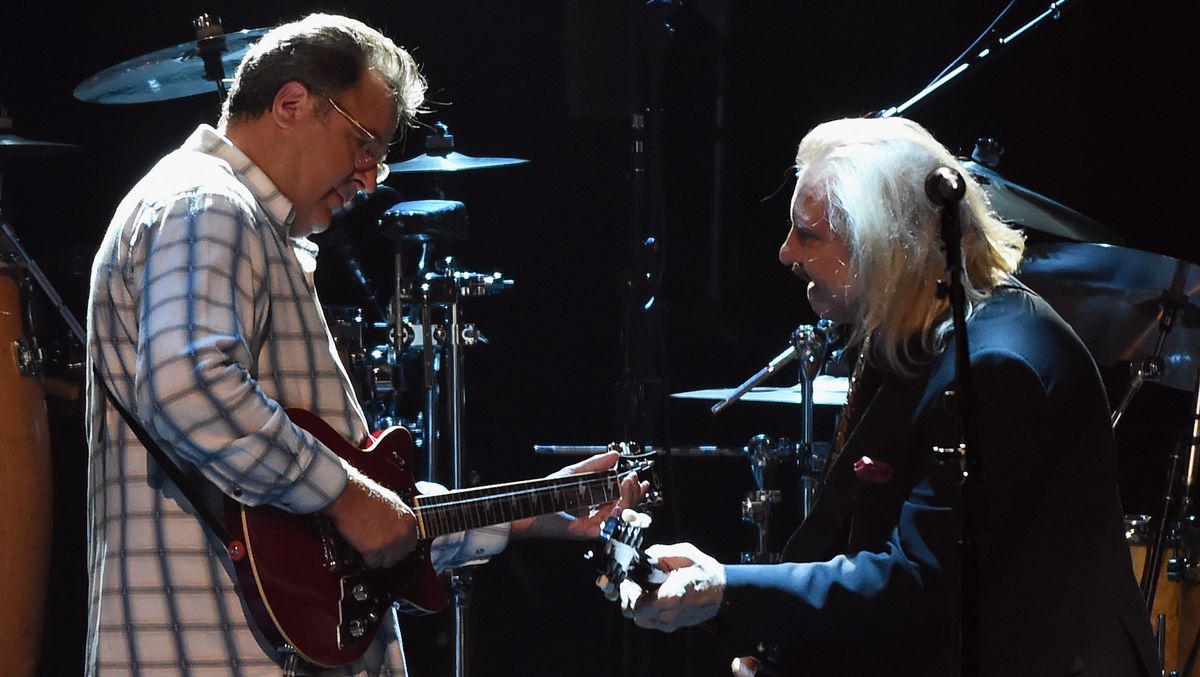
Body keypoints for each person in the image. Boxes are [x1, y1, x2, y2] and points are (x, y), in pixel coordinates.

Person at [86, 13, 643, 676]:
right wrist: (350, 497)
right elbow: (190, 387)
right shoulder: (207, 204)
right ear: (291, 104)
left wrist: (535, 509)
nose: (372, 176)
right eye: (363, 143)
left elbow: (358, 526)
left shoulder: (237, 221)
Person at [620, 116, 1159, 676]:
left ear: (882, 244)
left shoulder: (997, 366)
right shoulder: (909, 330)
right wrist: (768, 639)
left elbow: (921, 584)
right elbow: (850, 536)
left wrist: (726, 587)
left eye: (808, 234)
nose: (785, 254)